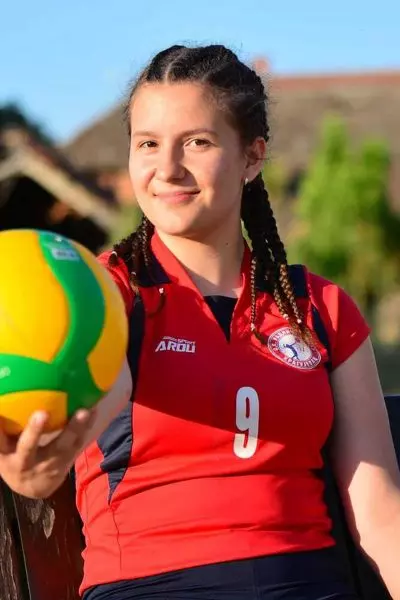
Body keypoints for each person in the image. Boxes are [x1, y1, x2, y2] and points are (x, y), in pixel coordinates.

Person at [1, 44, 400, 600]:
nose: (167, 168)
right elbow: (89, 410)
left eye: (197, 142)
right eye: (148, 144)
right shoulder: (105, 295)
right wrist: (38, 467)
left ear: (252, 157)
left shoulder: (321, 307)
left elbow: (379, 511)